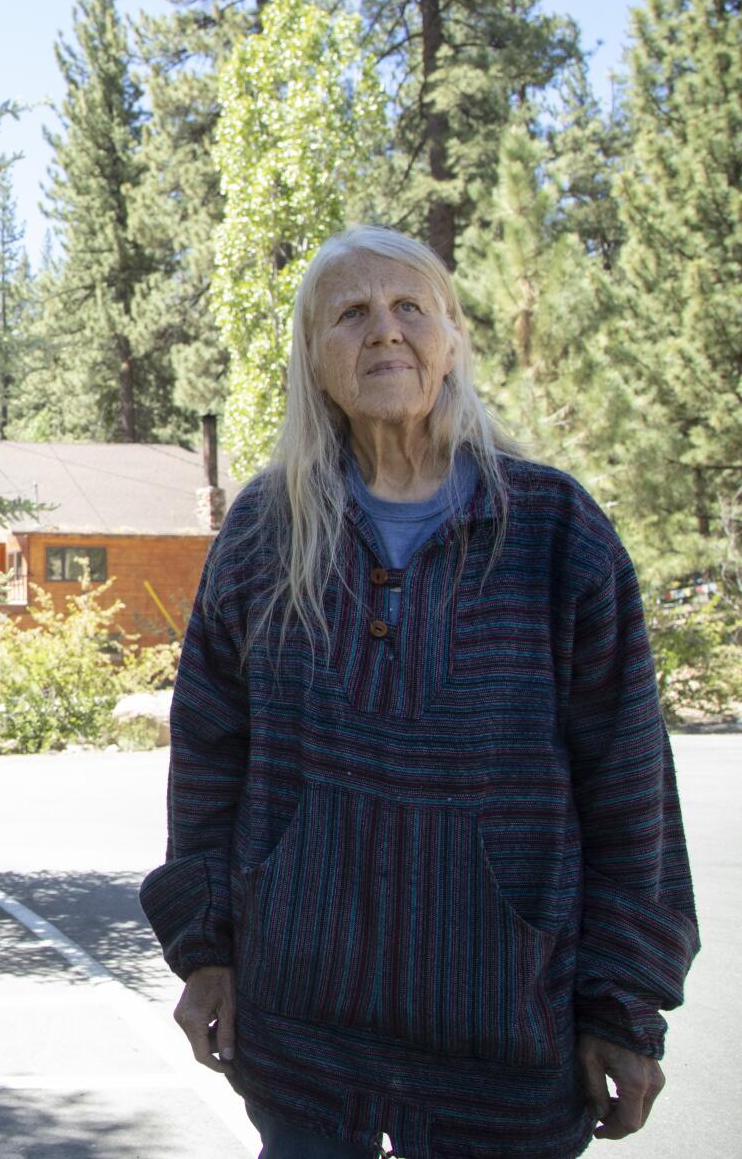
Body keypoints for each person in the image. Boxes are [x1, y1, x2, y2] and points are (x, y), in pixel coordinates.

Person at [140, 226, 699, 1158]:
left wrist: (624, 1001)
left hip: (506, 1036)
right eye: (350, 314)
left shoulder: (554, 529)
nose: (384, 332)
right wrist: (206, 952)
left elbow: (629, 780)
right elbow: (207, 756)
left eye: (410, 308)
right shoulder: (263, 533)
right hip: (303, 1039)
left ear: (451, 340)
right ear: (315, 362)